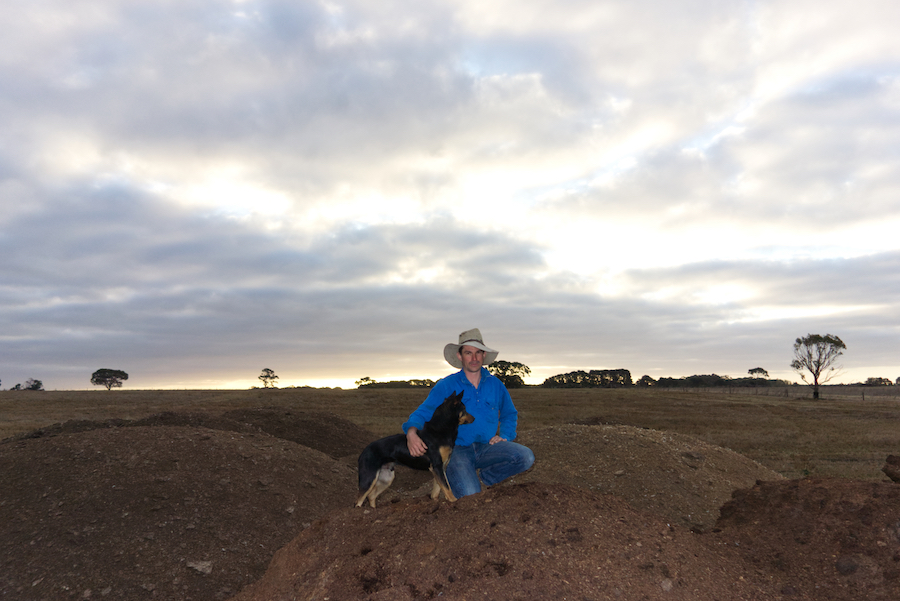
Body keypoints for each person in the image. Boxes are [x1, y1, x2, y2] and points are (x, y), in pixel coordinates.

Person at [403, 328, 535, 498]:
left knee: (526, 457)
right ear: (460, 356)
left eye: (478, 353)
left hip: (488, 446)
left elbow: (509, 413)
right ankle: (462, 475)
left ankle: (487, 477)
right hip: (456, 450)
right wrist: (411, 433)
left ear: (484, 356)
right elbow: (423, 412)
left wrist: (505, 436)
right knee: (471, 497)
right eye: (468, 353)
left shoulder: (496, 385)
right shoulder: (446, 385)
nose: (474, 358)